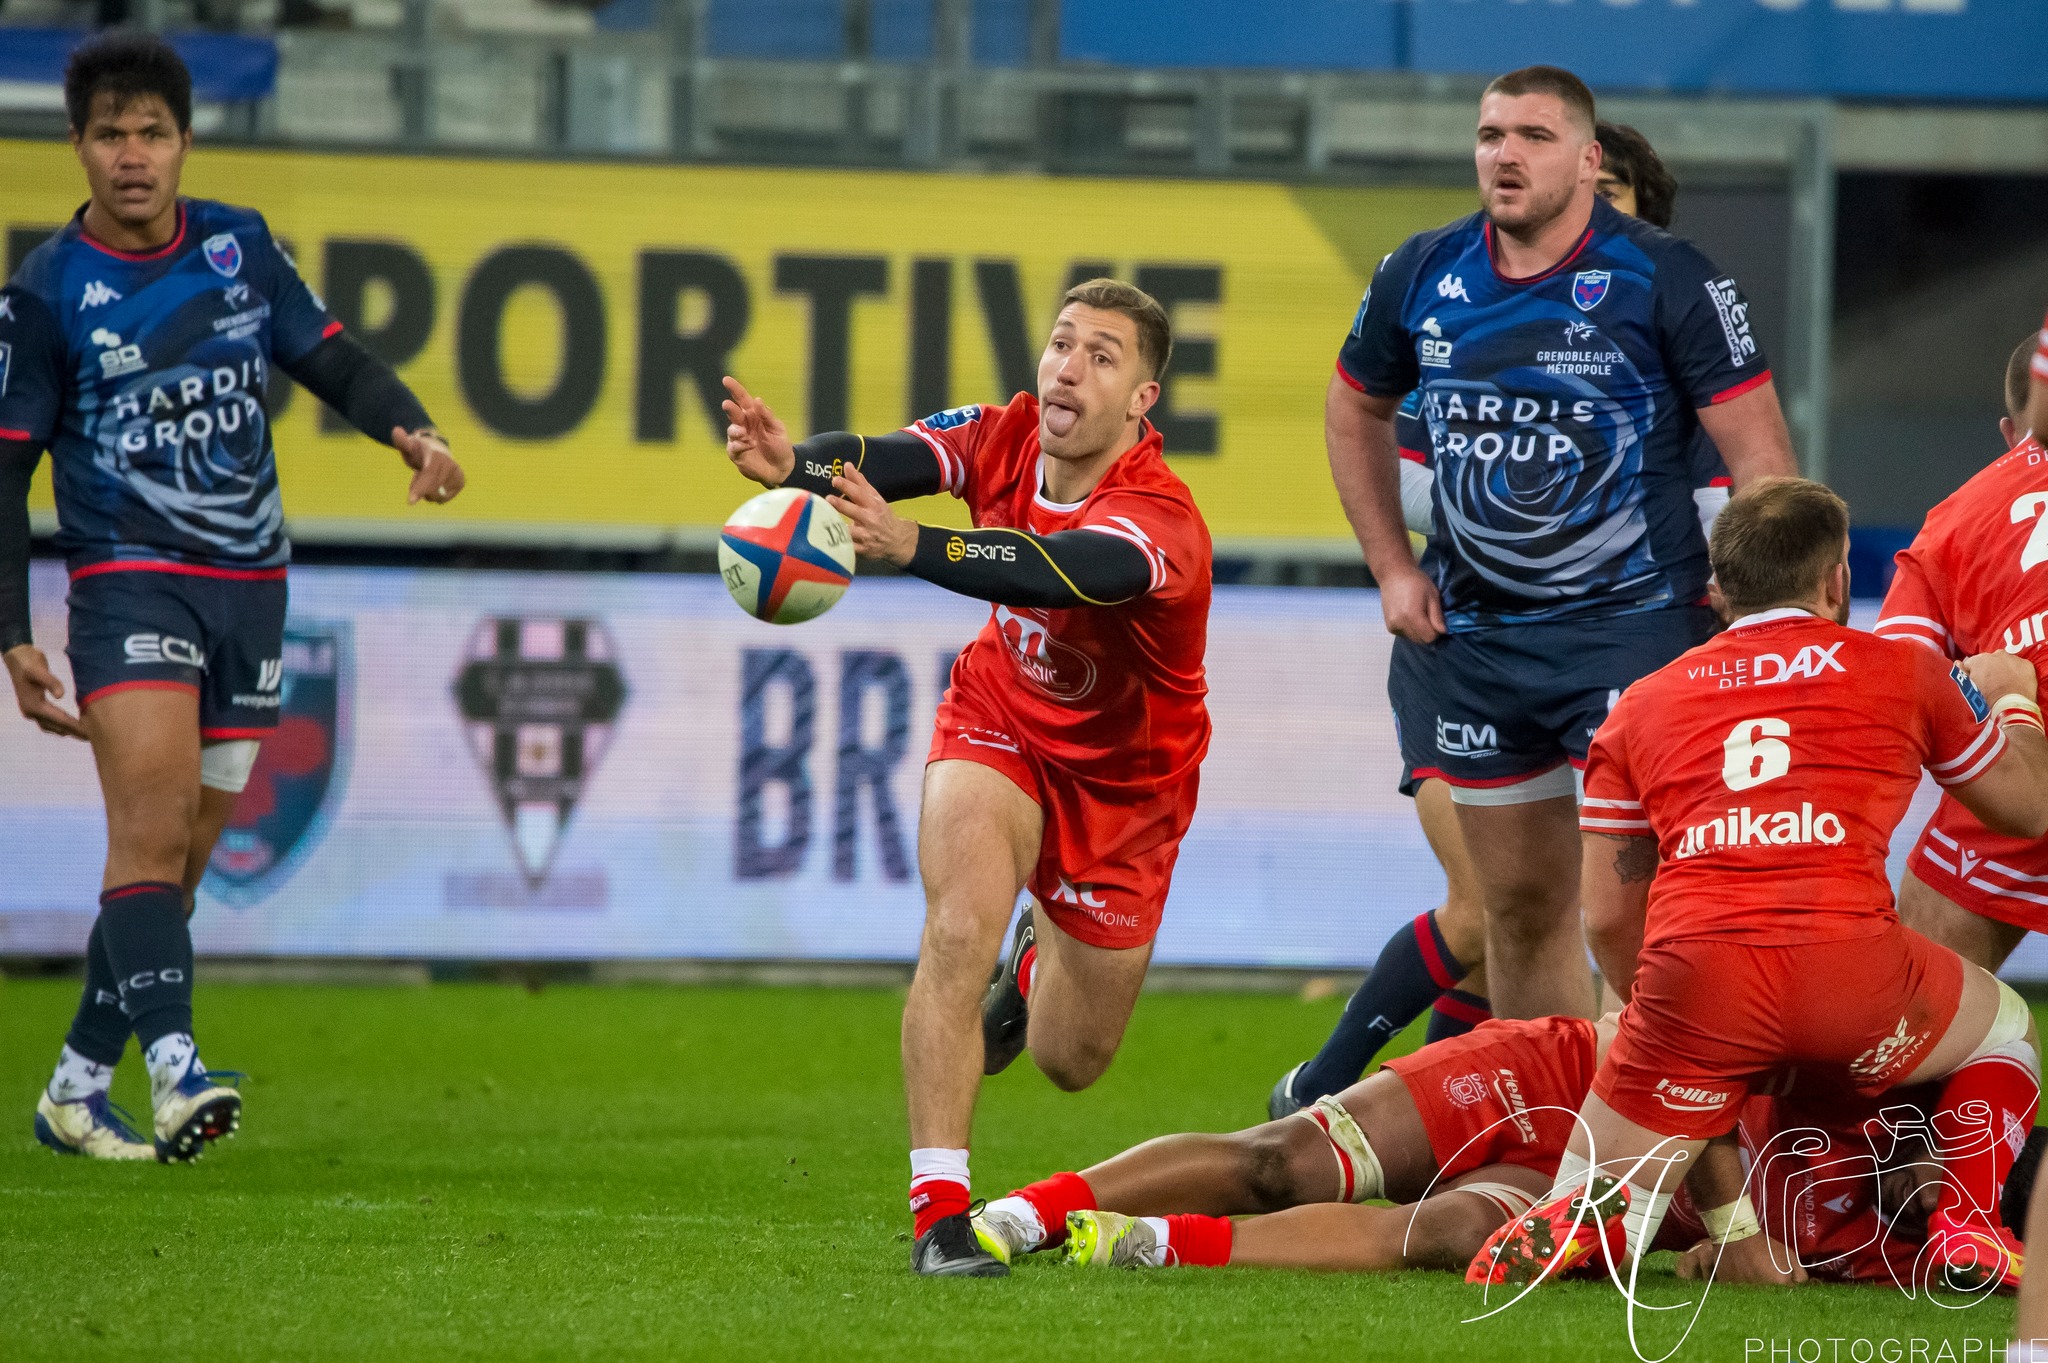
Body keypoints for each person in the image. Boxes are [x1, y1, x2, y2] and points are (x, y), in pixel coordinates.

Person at [3, 33, 463, 1163]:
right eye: (109, 135)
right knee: (150, 831)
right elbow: (5, 474)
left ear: (185, 141)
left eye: (151, 133)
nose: (132, 156)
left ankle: (73, 1089)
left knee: (182, 864)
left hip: (250, 588)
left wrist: (412, 429)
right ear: (77, 147)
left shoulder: (238, 246)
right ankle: (176, 1074)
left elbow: (331, 356)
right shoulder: (46, 293)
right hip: (128, 580)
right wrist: (12, 634)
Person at [721, 278, 1212, 1278]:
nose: (1068, 368)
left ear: (1141, 400)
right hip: (999, 718)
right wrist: (796, 465)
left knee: (1070, 1058)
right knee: (953, 932)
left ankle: (1034, 964)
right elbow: (885, 457)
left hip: (1126, 790)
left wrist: (911, 544)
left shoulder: (1160, 519)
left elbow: (1054, 569)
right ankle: (940, 1219)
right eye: (1061, 343)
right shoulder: (1002, 434)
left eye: (1102, 357)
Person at [1473, 478, 2048, 1292]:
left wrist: (1664, 1018)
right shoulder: (1907, 672)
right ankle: (1966, 1220)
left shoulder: (1638, 706)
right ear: (1837, 580)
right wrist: (2013, 698)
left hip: (1697, 989)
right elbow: (2029, 808)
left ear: (1717, 589)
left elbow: (1604, 915)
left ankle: (1593, 1220)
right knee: (2008, 1028)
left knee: (1589, 1199)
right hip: (1854, 983)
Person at [1327, 65, 1798, 1027]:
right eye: (1490, 135)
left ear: (1588, 161)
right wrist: (1392, 566)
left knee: (1642, 911)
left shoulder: (1670, 276)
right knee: (1519, 909)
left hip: (1637, 635)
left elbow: (1764, 461)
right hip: (1480, 645)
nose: (1505, 155)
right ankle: (1547, 1120)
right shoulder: (1421, 270)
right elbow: (1353, 407)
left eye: (1534, 137)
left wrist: (1756, 607)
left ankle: (1664, 1117)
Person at [970, 1008, 2008, 1283]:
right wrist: (1736, 1229)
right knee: (1283, 1158)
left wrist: (1712, 1256)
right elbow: (1701, 1049)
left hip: (1608, 1191)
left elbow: (1707, 1267)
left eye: (1938, 1211)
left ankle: (1152, 1244)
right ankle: (1028, 1210)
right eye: (1946, 1176)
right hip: (1565, 1076)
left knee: (1447, 1234)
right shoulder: (1887, 1067)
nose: (1928, 1196)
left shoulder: (1888, 1260)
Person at [1880, 340, 2048, 970]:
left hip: (2031, 727)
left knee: (1921, 992)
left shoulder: (1956, 516)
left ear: (2011, 433)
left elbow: (1895, 677)